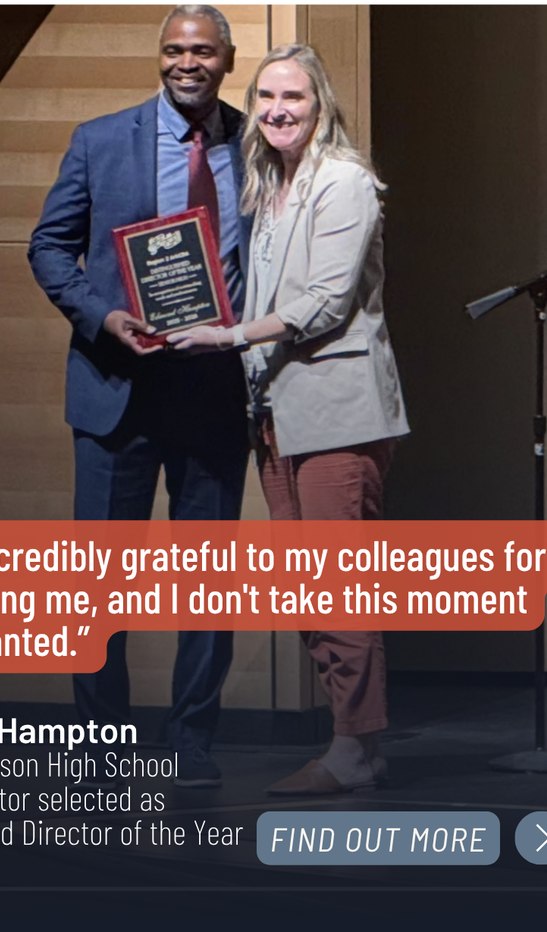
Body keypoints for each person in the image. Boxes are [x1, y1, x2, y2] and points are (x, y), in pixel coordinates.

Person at [168, 44, 410, 794]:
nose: (277, 109)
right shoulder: (266, 185)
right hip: (273, 414)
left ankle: (354, 748)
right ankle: (356, 746)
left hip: (338, 414)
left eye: (294, 98)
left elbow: (324, 305)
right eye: (266, 96)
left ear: (320, 106)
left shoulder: (344, 183)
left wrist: (225, 335)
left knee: (338, 586)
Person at [28, 6, 251, 788]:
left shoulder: (256, 145)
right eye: (173, 49)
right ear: (161, 57)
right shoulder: (99, 139)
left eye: (202, 51)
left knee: (206, 586)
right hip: (112, 391)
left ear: (227, 60)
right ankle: (98, 750)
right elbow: (48, 246)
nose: (186, 62)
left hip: (212, 393)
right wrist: (101, 314)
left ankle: (191, 743)